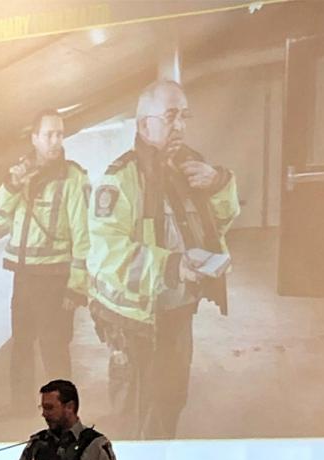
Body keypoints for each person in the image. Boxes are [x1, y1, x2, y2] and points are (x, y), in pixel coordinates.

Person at [87, 79, 240, 439]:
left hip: (178, 309)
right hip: (136, 321)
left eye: (185, 116)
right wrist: (172, 265)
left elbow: (221, 222)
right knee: (140, 412)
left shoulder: (191, 167)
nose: (181, 126)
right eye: (171, 116)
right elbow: (107, 253)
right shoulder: (120, 179)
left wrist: (218, 184)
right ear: (144, 124)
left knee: (171, 399)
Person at [0, 110, 90, 414]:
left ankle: (65, 414)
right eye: (49, 134)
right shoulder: (21, 176)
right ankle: (20, 405)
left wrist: (76, 287)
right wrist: (12, 185)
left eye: (60, 134)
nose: (55, 140)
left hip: (54, 278)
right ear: (34, 138)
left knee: (55, 350)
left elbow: (83, 237)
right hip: (24, 276)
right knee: (21, 344)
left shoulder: (73, 178)